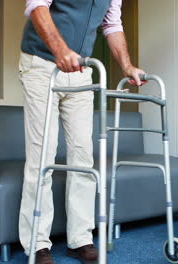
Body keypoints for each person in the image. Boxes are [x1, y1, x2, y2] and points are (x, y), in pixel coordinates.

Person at [18, 1, 145, 263]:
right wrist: (60, 49)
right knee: (43, 156)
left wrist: (127, 65)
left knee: (83, 156)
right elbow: (37, 5)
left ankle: (80, 239)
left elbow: (112, 24)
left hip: (81, 70)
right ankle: (37, 244)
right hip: (41, 64)